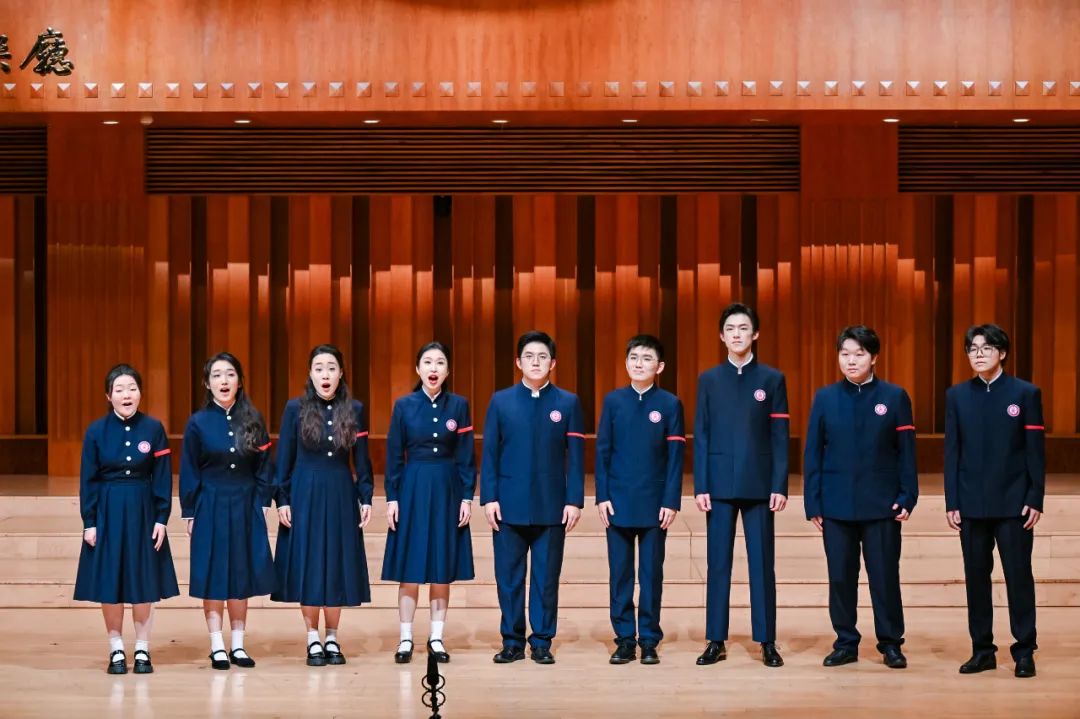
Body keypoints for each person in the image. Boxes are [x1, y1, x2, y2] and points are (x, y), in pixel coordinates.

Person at [803, 325, 918, 669]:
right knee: (840, 577)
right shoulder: (825, 398)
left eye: (859, 354)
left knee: (884, 577)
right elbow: (813, 453)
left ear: (874, 357)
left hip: (882, 504)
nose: (851, 361)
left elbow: (906, 452)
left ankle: (891, 643)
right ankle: (845, 642)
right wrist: (813, 502)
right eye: (845, 354)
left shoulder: (894, 397)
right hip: (836, 504)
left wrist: (907, 496)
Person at [945, 324, 1044, 679]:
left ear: (1002, 353)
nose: (979, 354)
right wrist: (952, 501)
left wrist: (1035, 496)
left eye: (986, 348)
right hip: (971, 504)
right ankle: (982, 650)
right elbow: (952, 451)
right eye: (972, 348)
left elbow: (1035, 451)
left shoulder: (1025, 393)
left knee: (1018, 577)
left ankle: (1024, 650)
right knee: (976, 579)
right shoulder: (957, 395)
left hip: (1014, 504)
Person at [693, 303, 789, 668]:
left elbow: (779, 436)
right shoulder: (709, 380)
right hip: (717, 485)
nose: (737, 334)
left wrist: (779, 484)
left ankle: (767, 640)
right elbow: (701, 434)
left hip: (760, 484)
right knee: (718, 564)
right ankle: (715, 639)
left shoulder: (772, 379)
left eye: (743, 328)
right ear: (721, 336)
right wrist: (701, 484)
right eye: (730, 328)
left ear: (755, 334)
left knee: (762, 564)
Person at [481, 330, 585, 665]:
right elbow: (490, 454)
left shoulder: (567, 402)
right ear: (518, 362)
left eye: (542, 357)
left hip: (552, 506)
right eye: (529, 356)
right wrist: (489, 497)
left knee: (545, 578)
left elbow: (576, 457)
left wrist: (574, 501)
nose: (535, 362)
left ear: (553, 363)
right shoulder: (501, 401)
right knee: (509, 578)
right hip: (507, 505)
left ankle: (541, 641)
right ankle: (512, 641)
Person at [272, 344, 373, 666]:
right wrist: (282, 499)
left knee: (336, 563)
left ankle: (332, 636)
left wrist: (366, 496)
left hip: (341, 491)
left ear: (341, 373)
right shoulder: (295, 408)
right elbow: (283, 459)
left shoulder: (355, 409)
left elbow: (362, 460)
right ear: (310, 374)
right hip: (305, 492)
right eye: (319, 368)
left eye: (331, 368)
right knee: (310, 562)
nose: (325, 374)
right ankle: (312, 637)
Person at [74, 364, 179, 674]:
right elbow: (88, 480)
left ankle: (143, 649)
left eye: (132, 388)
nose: (126, 394)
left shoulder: (154, 428)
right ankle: (116, 648)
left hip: (144, 510)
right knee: (112, 580)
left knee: (143, 579)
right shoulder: (96, 431)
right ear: (109, 396)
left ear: (140, 393)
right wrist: (90, 521)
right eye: (119, 389)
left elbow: (162, 476)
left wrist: (161, 517)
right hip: (108, 510)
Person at [180, 352, 276, 670]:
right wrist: (190, 511)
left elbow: (264, 466)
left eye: (230, 374)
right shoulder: (197, 422)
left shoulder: (253, 418)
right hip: (210, 503)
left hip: (246, 502)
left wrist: (263, 502)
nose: (224, 380)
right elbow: (190, 469)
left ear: (239, 381)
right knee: (213, 573)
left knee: (241, 571)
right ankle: (216, 645)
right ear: (207, 383)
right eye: (217, 375)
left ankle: (238, 644)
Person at [382, 341, 476, 664]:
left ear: (447, 371)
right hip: (413, 488)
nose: (433, 368)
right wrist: (392, 497)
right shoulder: (404, 406)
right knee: (410, 568)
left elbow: (466, 456)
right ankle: (405, 637)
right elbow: (394, 456)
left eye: (440, 363)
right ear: (418, 369)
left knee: (441, 566)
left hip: (448, 489)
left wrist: (467, 496)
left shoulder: (459, 405)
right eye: (427, 362)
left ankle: (436, 637)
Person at [596, 334, 685, 665]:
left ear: (659, 367)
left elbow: (675, 457)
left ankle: (648, 639)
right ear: (626, 363)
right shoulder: (613, 401)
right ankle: (624, 639)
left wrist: (671, 500)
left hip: (654, 504)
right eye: (634, 357)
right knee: (620, 575)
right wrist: (602, 496)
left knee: (650, 575)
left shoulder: (670, 404)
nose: (639, 363)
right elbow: (603, 451)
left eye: (647, 358)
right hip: (617, 502)